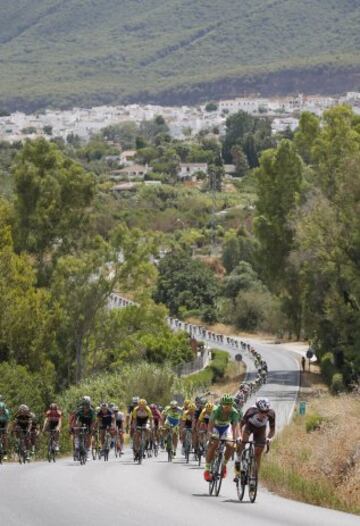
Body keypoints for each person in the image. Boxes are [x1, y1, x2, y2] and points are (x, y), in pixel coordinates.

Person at [234, 397, 275, 479]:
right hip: (249, 426)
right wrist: (239, 436)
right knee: (243, 443)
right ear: (257, 409)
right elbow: (240, 425)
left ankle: (254, 477)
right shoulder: (251, 411)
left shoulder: (271, 414)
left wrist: (269, 438)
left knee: (258, 453)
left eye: (266, 412)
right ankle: (237, 465)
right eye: (262, 412)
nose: (264, 414)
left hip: (261, 429)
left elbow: (272, 430)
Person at [204, 395, 240, 482]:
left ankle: (223, 465)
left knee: (231, 445)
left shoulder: (234, 412)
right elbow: (210, 424)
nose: (227, 408)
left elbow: (234, 427)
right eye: (225, 406)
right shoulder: (216, 410)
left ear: (232, 405)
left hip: (226, 428)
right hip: (215, 427)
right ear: (221, 405)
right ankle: (207, 470)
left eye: (229, 406)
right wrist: (209, 434)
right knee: (214, 444)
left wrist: (235, 439)